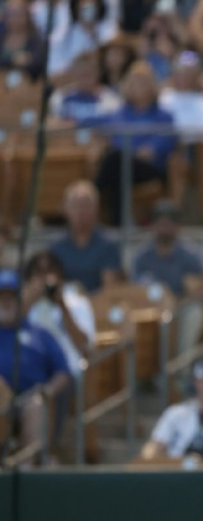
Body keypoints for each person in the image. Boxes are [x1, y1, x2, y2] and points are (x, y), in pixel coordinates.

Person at [80, 62, 178, 225]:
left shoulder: (163, 116)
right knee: (117, 168)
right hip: (120, 166)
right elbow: (89, 122)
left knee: (115, 159)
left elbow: (159, 147)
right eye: (134, 82)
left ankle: (92, 197)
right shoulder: (119, 114)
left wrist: (134, 152)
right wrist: (63, 122)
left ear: (152, 86)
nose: (138, 87)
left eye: (143, 82)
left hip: (150, 168)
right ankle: (120, 222)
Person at [0, 268, 71, 465]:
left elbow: (63, 370)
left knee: (37, 405)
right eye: (1, 297)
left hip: (28, 399)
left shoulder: (39, 333)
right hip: (1, 399)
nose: (6, 302)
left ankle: (27, 470)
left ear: (20, 299)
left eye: (11, 296)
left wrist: (48, 390)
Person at [133, 201, 203, 355]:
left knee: (194, 314)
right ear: (152, 226)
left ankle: (179, 373)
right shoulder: (142, 256)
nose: (164, 228)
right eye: (160, 223)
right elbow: (136, 290)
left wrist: (177, 301)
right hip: (150, 312)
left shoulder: (188, 254)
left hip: (180, 307)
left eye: (169, 223)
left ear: (177, 227)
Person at [21, 251, 96, 377]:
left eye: (50, 270)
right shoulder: (23, 304)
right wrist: (29, 302)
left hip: (68, 373)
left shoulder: (77, 302)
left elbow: (85, 348)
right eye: (39, 272)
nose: (44, 277)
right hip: (30, 371)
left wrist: (62, 305)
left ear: (59, 274)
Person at [50, 181, 122, 294]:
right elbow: (53, 284)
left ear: (96, 209)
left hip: (98, 308)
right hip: (65, 306)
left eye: (86, 205)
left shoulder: (108, 246)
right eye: (75, 205)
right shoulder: (56, 247)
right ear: (65, 209)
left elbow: (109, 290)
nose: (81, 211)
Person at [49, 51, 122, 123]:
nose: (85, 77)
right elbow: (54, 124)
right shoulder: (59, 97)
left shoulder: (111, 100)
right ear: (74, 73)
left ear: (98, 73)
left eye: (89, 72)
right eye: (81, 72)